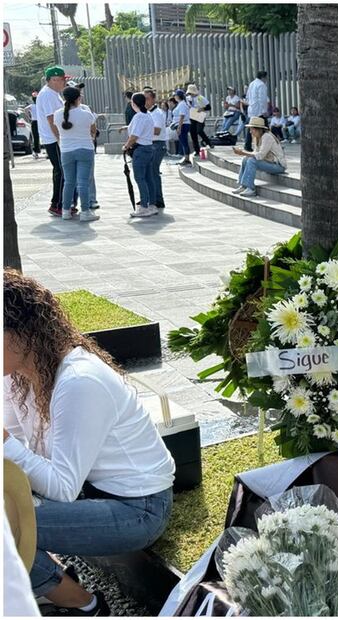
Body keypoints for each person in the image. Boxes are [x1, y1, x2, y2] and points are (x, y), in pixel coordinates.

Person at [3, 270, 175, 617]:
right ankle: (54, 580)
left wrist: (4, 442)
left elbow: (62, 487)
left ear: (21, 334)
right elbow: (21, 450)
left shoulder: (79, 382)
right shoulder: (17, 375)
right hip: (90, 492)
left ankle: (85, 604)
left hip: (139, 509)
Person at [56, 86, 97, 223]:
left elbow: (57, 130)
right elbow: (93, 131)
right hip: (85, 149)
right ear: (78, 98)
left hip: (66, 150)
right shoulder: (86, 114)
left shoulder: (57, 114)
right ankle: (85, 212)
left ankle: (66, 211)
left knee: (69, 182)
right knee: (83, 182)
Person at [37, 66, 71, 217]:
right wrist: (59, 139)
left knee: (62, 170)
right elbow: (51, 120)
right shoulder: (48, 95)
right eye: (63, 80)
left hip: (55, 138)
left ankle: (63, 203)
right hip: (53, 139)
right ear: (54, 80)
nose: (64, 83)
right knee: (61, 171)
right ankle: (56, 204)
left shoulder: (53, 94)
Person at [123, 92, 159, 218]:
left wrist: (126, 146)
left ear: (133, 103)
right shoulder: (147, 115)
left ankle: (144, 206)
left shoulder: (139, 116)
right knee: (149, 178)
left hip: (141, 149)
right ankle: (152, 204)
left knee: (140, 178)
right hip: (148, 148)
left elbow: (134, 136)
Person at [231, 116, 286, 197]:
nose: (250, 132)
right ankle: (243, 186)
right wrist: (244, 154)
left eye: (252, 129)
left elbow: (260, 155)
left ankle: (251, 188)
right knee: (245, 159)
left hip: (278, 166)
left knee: (251, 161)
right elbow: (255, 153)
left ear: (259, 129)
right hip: (268, 162)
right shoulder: (257, 137)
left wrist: (243, 152)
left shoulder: (267, 137)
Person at [147, 90, 168, 211]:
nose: (145, 101)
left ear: (153, 99)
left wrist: (141, 130)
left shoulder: (158, 113)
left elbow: (157, 131)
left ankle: (158, 200)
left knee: (153, 172)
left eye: (147, 98)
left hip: (158, 144)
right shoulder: (148, 113)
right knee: (150, 172)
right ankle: (151, 198)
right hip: (151, 144)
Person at [245, 70, 270, 151]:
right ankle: (267, 145)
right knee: (265, 128)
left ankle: (248, 145)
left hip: (252, 109)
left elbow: (247, 97)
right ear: (263, 77)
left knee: (252, 127)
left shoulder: (252, 83)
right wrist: (264, 110)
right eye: (266, 77)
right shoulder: (261, 85)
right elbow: (262, 99)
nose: (266, 79)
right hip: (259, 110)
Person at [186, 85, 212, 153]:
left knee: (199, 130)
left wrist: (202, 109)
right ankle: (196, 150)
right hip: (192, 116)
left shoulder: (200, 98)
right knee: (193, 132)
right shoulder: (188, 99)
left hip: (200, 116)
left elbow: (208, 107)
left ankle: (208, 142)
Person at [171, 89, 192, 166]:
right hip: (181, 124)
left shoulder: (182, 104)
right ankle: (186, 158)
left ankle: (187, 159)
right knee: (183, 141)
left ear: (178, 96)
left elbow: (182, 116)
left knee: (184, 142)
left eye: (175, 95)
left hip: (183, 125)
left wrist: (179, 127)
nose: (174, 97)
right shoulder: (181, 104)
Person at [27, 92, 40, 159]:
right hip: (40, 121)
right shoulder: (40, 105)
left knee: (35, 137)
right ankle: (47, 152)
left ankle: (36, 152)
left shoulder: (31, 106)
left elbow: (25, 109)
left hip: (34, 121)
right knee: (44, 136)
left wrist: (29, 117)